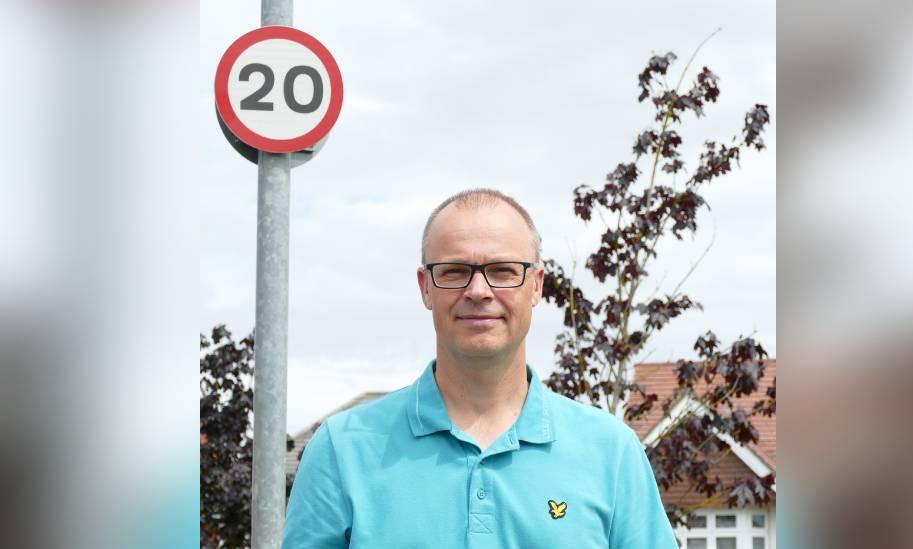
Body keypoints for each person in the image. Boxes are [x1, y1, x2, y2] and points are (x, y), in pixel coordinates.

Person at [282, 189, 677, 548]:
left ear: (537, 285)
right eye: (454, 272)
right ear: (425, 287)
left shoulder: (611, 452)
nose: (478, 291)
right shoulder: (342, 449)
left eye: (503, 270)